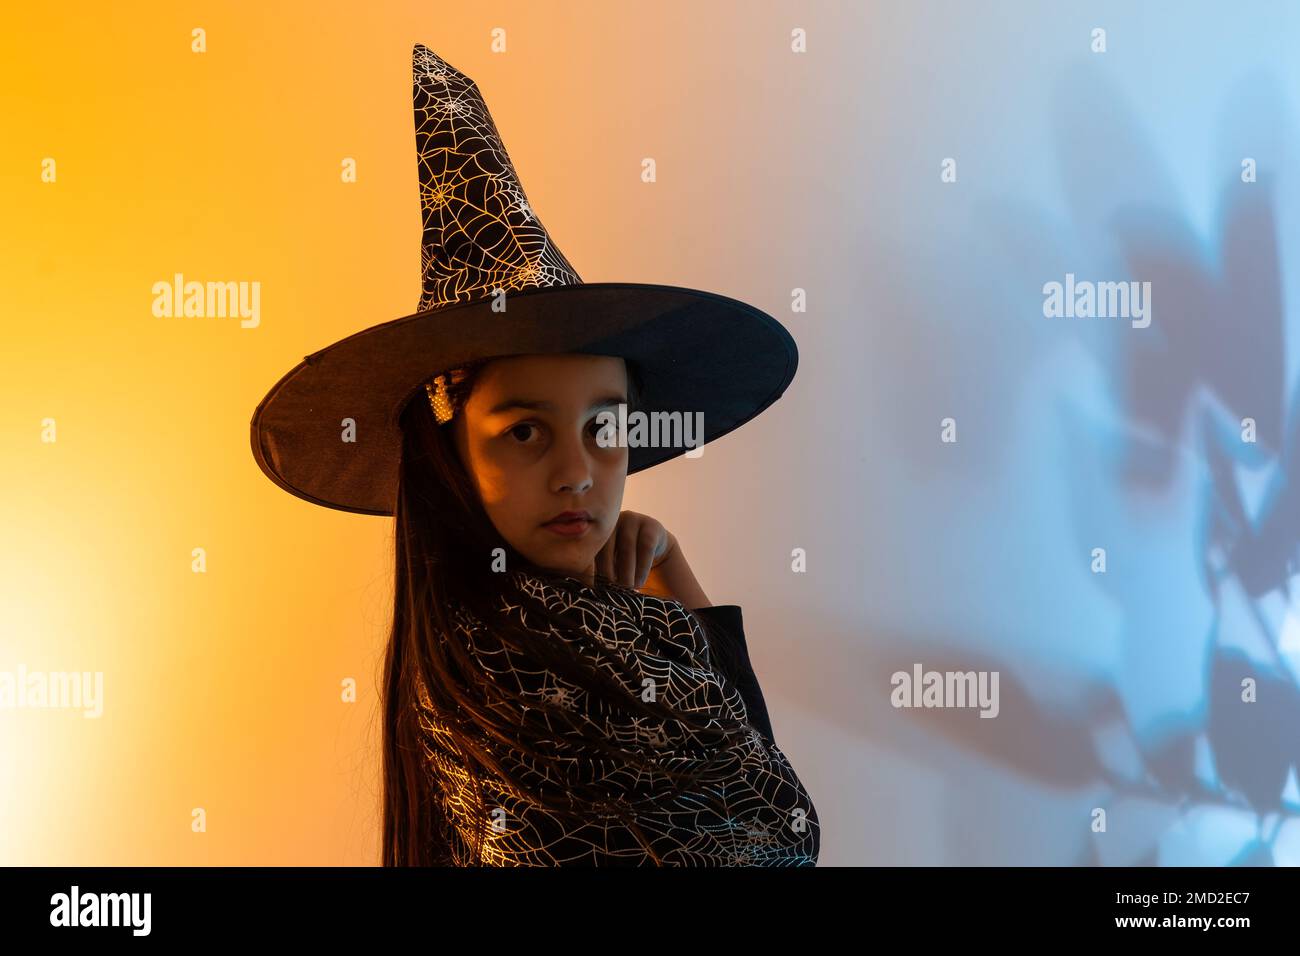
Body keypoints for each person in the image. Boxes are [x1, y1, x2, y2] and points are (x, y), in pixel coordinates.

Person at [249, 44, 817, 865]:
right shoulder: (491, 678)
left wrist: (672, 573)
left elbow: (774, 810)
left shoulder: (626, 636)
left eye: (605, 426)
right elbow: (776, 838)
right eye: (523, 430)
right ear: (450, 450)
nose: (578, 471)